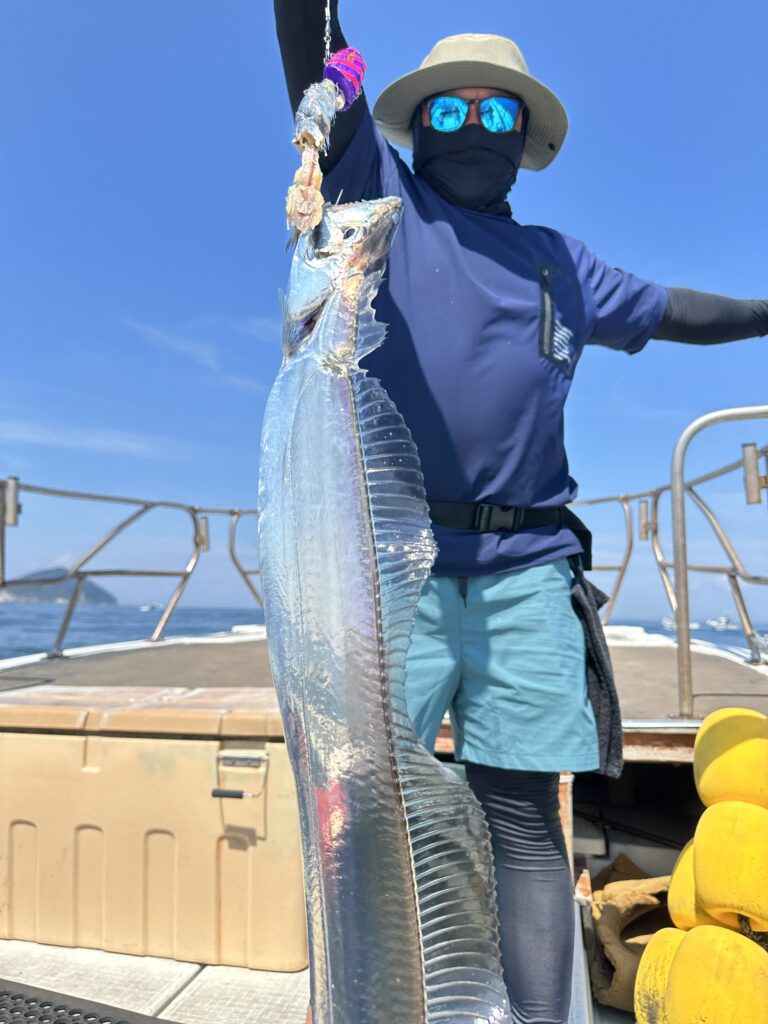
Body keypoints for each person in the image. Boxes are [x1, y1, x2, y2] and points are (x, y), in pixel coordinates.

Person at [274, 4, 768, 1022]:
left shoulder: (563, 264)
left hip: (529, 569)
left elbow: (676, 310)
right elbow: (315, 50)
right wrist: (323, 46)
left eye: (495, 111)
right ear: (418, 128)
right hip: (385, 569)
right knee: (358, 816)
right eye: (448, 108)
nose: (471, 124)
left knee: (527, 822)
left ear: (523, 138)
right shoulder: (378, 202)